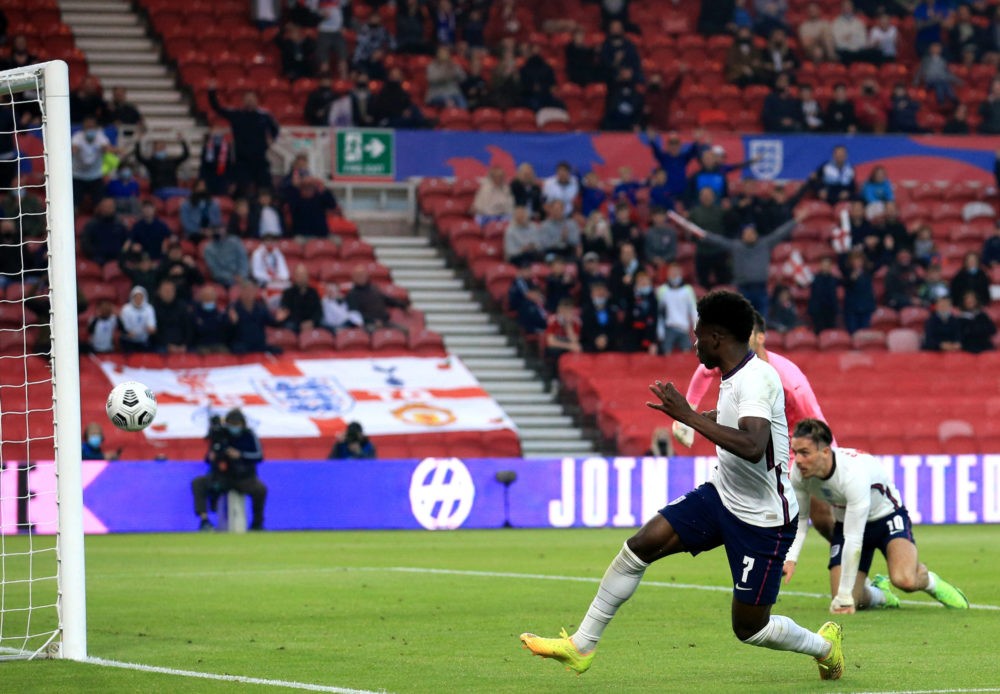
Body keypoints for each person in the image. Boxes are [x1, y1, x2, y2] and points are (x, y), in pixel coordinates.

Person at [521, 291, 845, 680]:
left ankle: (825, 647)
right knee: (639, 547)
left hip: (764, 521)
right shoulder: (734, 374)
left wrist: (690, 416)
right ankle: (582, 645)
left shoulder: (758, 377)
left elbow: (754, 445)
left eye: (698, 334)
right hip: (721, 496)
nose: (694, 342)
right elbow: (743, 426)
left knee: (750, 628)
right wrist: (705, 416)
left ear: (716, 338)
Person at [675, 310, 836, 543]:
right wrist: (686, 414)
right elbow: (704, 371)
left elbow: (816, 421)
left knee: (821, 517)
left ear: (760, 338)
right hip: (760, 444)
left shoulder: (789, 380)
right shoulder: (736, 363)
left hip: (795, 446)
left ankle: (851, 556)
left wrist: (827, 456)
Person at [783, 419, 970, 612]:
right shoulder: (798, 474)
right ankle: (881, 595)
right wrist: (790, 558)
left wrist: (845, 597)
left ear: (825, 452)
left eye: (804, 453)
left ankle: (930, 581)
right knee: (851, 598)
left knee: (904, 580)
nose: (797, 460)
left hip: (886, 517)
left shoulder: (852, 475)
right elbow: (802, 519)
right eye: (795, 452)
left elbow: (854, 538)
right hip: (847, 520)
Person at [192, 409, 267, 531]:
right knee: (198, 483)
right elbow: (209, 457)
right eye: (231, 424)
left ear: (243, 424)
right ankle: (204, 520)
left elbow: (259, 456)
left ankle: (257, 524)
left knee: (261, 489)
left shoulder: (249, 435)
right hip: (222, 477)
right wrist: (212, 457)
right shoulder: (220, 435)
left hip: (244, 478)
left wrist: (240, 455)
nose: (234, 428)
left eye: (237, 425)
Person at [207, 86, 280, 194]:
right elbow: (217, 109)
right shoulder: (237, 115)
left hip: (260, 159)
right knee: (243, 189)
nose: (250, 101)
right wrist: (211, 93)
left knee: (265, 189)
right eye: (247, 99)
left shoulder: (264, 116)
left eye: (252, 99)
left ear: (257, 101)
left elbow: (275, 129)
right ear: (243, 101)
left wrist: (271, 140)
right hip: (242, 161)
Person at [655, 262, 697, 354]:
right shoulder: (662, 290)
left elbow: (693, 311)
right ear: (668, 274)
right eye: (672, 272)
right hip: (669, 328)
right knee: (667, 354)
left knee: (686, 354)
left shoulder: (688, 290)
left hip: (683, 328)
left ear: (681, 274)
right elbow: (659, 313)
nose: (674, 275)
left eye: (677, 272)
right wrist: (660, 330)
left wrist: (697, 329)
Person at [133, 134, 189, 198]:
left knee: (192, 194)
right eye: (159, 148)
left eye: (163, 147)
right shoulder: (151, 162)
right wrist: (138, 142)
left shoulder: (171, 161)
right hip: (159, 190)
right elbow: (139, 157)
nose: (161, 149)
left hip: (173, 188)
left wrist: (182, 141)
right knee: (188, 194)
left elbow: (185, 156)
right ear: (154, 150)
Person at [276, 263, 323, 333]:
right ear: (295, 277)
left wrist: (311, 322)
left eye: (303, 275)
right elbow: (284, 311)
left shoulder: (313, 293)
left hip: (311, 324)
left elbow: (319, 312)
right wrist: (301, 324)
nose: (302, 278)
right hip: (294, 325)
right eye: (299, 275)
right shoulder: (288, 293)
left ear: (307, 276)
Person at [119, 285, 157, 353]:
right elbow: (124, 326)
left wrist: (151, 329)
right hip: (129, 340)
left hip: (144, 340)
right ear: (132, 297)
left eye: (140, 297)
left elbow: (151, 325)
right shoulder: (126, 309)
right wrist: (128, 332)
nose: (138, 300)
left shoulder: (149, 308)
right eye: (136, 297)